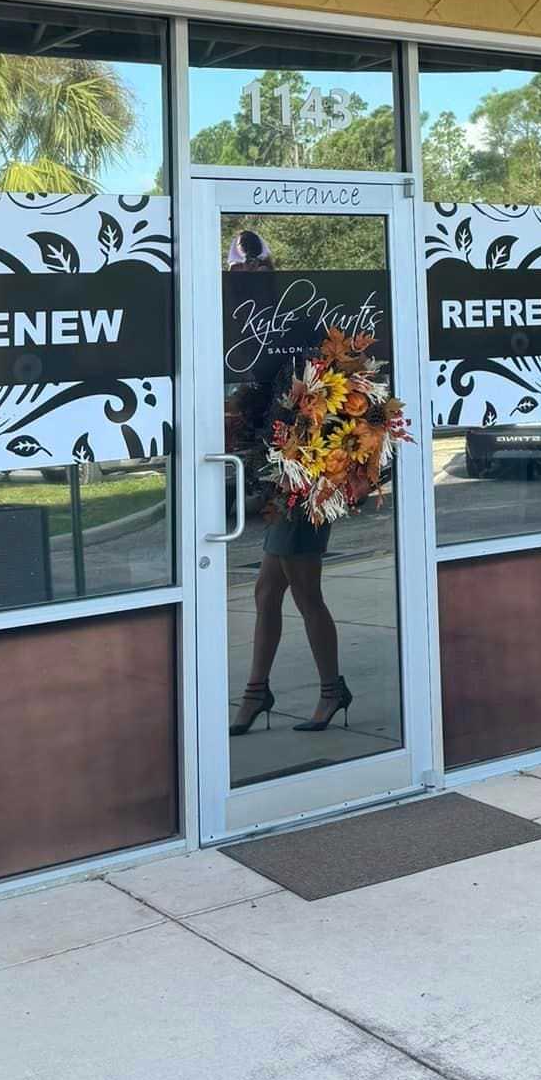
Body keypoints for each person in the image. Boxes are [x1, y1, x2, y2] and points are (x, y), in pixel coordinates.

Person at [225, 239, 353, 738]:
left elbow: (324, 390)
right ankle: (258, 693)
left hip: (310, 475)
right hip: (284, 475)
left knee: (304, 590)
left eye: (255, 273)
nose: (245, 284)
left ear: (270, 274)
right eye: (240, 276)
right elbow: (255, 390)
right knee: (266, 591)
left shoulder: (294, 325)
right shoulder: (251, 327)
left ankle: (330, 689)